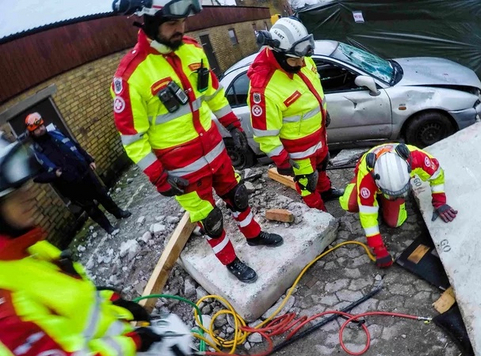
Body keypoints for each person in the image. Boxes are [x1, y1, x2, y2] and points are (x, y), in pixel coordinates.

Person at [111, 0, 282, 283]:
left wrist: (233, 126)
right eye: (172, 24)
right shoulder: (132, 75)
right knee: (210, 219)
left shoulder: (192, 48)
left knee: (238, 197)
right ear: (150, 24)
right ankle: (230, 261)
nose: (180, 29)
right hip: (182, 170)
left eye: (182, 23)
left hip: (215, 151)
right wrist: (159, 177)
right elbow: (133, 140)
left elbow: (213, 94)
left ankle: (253, 235)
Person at [0, 134, 162, 355]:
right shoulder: (6, 309)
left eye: (24, 186)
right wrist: (133, 342)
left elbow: (76, 297)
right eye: (14, 195)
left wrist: (114, 301)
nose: (29, 195)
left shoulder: (33, 249)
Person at [247, 17, 343, 212]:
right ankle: (320, 213)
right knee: (307, 184)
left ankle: (326, 192)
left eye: (302, 58)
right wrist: (283, 161)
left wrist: (324, 114)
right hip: (298, 151)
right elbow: (265, 136)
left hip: (318, 136)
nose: (302, 63)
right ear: (279, 54)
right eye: (295, 60)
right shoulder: (264, 88)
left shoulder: (299, 58)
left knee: (323, 168)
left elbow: (312, 92)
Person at [339, 143, 458, 268]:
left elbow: (437, 175)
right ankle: (365, 191)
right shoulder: (367, 176)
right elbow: (367, 214)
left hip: (385, 186)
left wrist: (439, 201)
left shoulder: (418, 158)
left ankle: (386, 198)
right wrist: (378, 249)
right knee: (350, 204)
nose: (395, 197)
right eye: (391, 195)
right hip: (371, 182)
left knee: (394, 223)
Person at [25, 112, 131, 235]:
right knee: (90, 207)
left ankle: (118, 213)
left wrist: (89, 159)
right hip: (70, 184)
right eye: (37, 129)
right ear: (32, 132)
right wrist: (55, 175)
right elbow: (37, 177)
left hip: (84, 171)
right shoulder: (36, 152)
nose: (41, 129)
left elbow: (75, 145)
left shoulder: (56, 133)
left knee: (102, 194)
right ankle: (108, 228)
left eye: (41, 125)